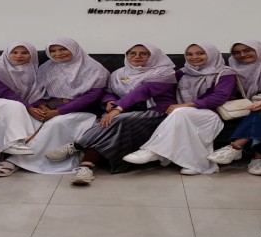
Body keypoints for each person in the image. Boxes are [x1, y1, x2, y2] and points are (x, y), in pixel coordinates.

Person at [45, 43, 177, 185]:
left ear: (154, 56)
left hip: (155, 112)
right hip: (124, 112)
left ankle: (76, 146)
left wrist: (117, 109)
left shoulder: (165, 72)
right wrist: (109, 101)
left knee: (116, 120)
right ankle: (85, 168)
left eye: (144, 53)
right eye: (132, 53)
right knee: (106, 124)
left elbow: (143, 91)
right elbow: (109, 92)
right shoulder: (118, 73)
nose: (137, 56)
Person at [122, 43, 237, 175]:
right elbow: (164, 89)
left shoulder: (226, 73)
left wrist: (186, 105)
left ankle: (155, 151)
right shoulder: (182, 72)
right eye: (189, 54)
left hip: (213, 113)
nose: (194, 57)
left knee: (180, 112)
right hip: (184, 113)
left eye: (200, 53)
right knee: (181, 114)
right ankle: (195, 164)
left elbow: (218, 98)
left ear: (211, 55)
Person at [5, 37, 108, 174]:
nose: (58, 53)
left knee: (57, 122)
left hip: (85, 111)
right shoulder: (45, 68)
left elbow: (93, 96)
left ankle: (18, 161)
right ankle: (18, 157)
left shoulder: (95, 69)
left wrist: (59, 111)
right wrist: (42, 106)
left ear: (74, 49)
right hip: (52, 109)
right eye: (53, 51)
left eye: (63, 49)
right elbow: (37, 93)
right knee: (30, 120)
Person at [206, 40, 261, 176]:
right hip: (245, 105)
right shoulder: (229, 68)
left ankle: (239, 147)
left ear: (259, 50)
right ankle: (259, 158)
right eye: (236, 52)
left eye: (247, 50)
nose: (242, 55)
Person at [0, 42, 44, 175]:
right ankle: (11, 144)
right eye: (14, 52)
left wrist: (38, 106)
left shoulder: (34, 71)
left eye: (25, 53)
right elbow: (6, 93)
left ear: (32, 56)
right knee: (15, 107)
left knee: (38, 121)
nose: (19, 56)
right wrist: (29, 108)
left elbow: (38, 92)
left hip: (15, 105)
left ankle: (14, 160)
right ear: (7, 54)